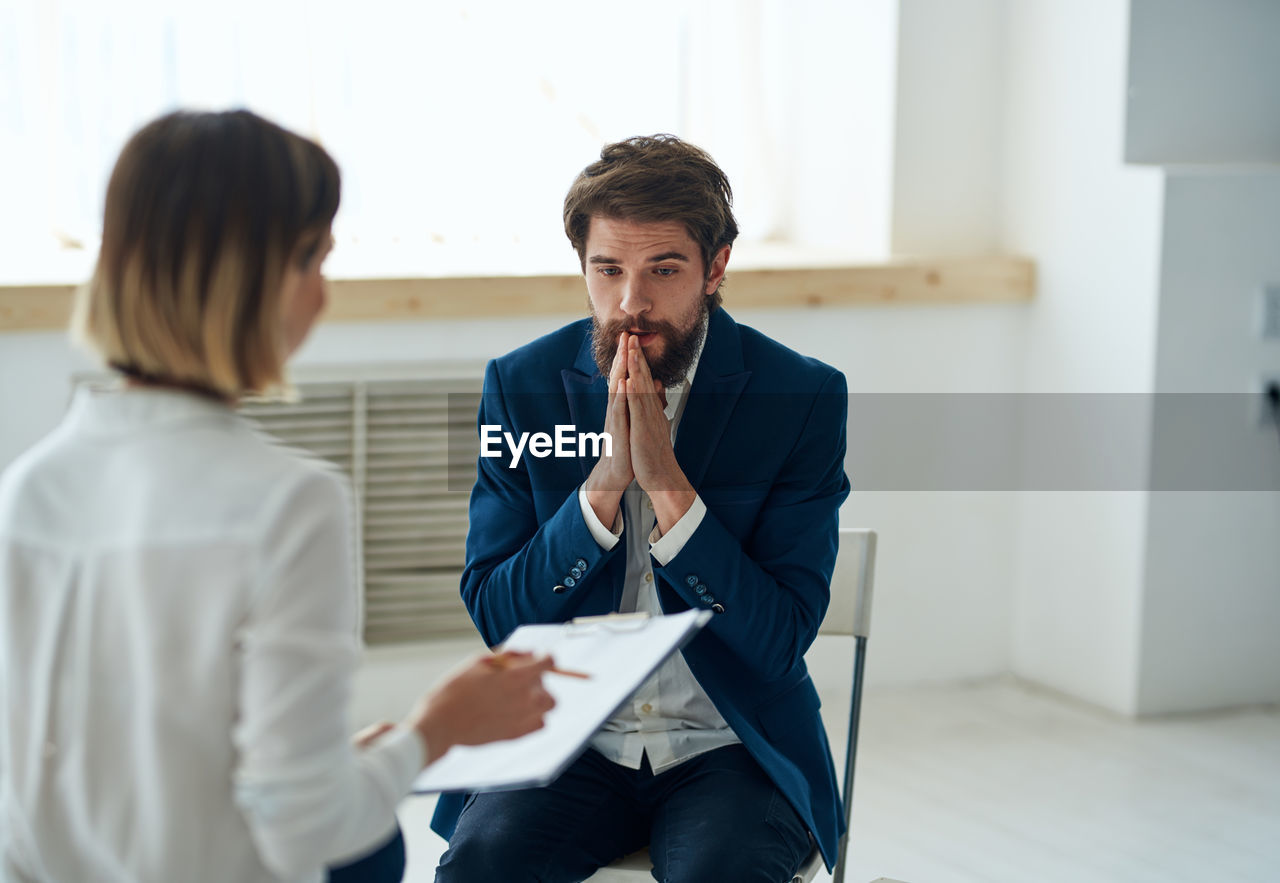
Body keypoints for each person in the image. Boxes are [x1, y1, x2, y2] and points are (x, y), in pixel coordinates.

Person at [0, 109, 557, 883]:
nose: (322, 300)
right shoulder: (289, 505)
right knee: (375, 844)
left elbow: (79, 777)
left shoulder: (27, 491)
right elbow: (305, 823)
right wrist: (434, 730)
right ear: (254, 272)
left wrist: (344, 759)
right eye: (315, 263)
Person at [432, 135, 851, 882]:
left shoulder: (802, 397)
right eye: (608, 269)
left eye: (663, 269)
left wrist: (669, 490)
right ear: (583, 267)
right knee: (480, 865)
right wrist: (603, 486)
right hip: (568, 741)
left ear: (715, 267)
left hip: (730, 746)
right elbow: (499, 615)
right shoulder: (520, 386)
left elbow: (780, 637)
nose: (631, 301)